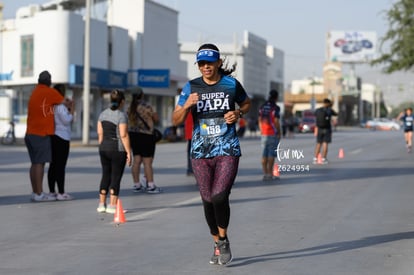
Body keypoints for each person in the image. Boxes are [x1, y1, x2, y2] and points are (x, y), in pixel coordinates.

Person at [172, 43, 251, 265]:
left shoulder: (230, 84)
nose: (206, 67)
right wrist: (186, 104)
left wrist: (238, 113)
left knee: (219, 196)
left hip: (227, 149)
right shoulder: (190, 87)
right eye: (202, 63)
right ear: (198, 66)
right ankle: (217, 242)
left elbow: (246, 103)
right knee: (207, 200)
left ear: (218, 63)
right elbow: (175, 120)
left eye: (210, 62)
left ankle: (223, 239)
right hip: (200, 152)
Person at [25, 71, 64, 202]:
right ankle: (40, 193)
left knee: (34, 163)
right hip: (40, 133)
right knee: (40, 164)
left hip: (30, 133)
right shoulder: (49, 92)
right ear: (49, 81)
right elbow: (64, 101)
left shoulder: (35, 91)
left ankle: (35, 192)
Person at [97, 90, 132, 214]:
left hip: (104, 148)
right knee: (115, 177)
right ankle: (112, 205)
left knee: (105, 174)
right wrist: (129, 152)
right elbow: (123, 135)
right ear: (122, 101)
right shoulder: (121, 116)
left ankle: (101, 204)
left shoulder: (102, 114)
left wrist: (102, 146)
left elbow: (100, 133)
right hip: (117, 149)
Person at [128, 87, 162, 194]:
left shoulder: (129, 107)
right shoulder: (146, 106)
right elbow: (156, 118)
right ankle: (151, 185)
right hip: (146, 136)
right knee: (147, 162)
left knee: (136, 160)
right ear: (141, 94)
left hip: (134, 135)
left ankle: (136, 184)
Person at [47, 84, 74, 201]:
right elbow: (66, 120)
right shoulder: (60, 107)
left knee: (53, 165)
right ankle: (61, 192)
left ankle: (52, 191)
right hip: (62, 137)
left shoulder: (53, 105)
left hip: (54, 136)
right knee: (60, 166)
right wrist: (72, 110)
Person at [258, 89, 281, 181]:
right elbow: (276, 121)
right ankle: (269, 173)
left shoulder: (262, 106)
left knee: (264, 154)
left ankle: (265, 173)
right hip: (272, 133)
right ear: (276, 97)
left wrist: (261, 130)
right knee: (271, 154)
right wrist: (279, 132)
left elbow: (259, 119)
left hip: (264, 133)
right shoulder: (275, 107)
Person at [313, 98, 338, 164]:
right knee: (325, 144)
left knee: (318, 144)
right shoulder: (329, 110)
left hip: (319, 129)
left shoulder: (318, 110)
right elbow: (336, 114)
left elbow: (314, 114)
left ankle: (315, 158)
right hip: (327, 129)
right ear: (329, 103)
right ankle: (324, 158)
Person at [184, 111, 194, 176]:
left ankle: (190, 169)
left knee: (190, 151)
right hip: (193, 132)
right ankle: (191, 169)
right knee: (191, 152)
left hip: (191, 132)